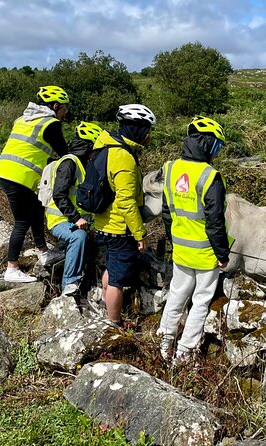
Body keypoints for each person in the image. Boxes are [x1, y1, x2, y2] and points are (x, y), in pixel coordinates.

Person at [157, 116, 231, 364]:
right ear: (208, 143)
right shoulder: (210, 176)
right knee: (200, 302)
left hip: (180, 248)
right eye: (217, 145)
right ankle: (184, 353)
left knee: (176, 295)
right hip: (205, 253)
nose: (217, 151)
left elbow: (166, 212)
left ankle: (165, 341)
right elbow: (215, 221)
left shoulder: (169, 168)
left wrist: (173, 240)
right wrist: (222, 254)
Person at [0, 86, 70, 283]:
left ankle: (43, 251)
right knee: (22, 221)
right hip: (18, 176)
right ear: (55, 106)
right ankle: (11, 268)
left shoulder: (24, 118)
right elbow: (65, 153)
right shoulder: (50, 123)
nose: (65, 112)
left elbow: (29, 149)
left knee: (37, 207)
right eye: (64, 108)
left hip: (6, 172)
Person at [93, 104, 156, 326]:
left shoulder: (105, 146)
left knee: (111, 267)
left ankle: (104, 303)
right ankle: (114, 322)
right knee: (118, 280)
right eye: (147, 129)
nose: (148, 135)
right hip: (120, 227)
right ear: (136, 128)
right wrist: (140, 234)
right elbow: (126, 201)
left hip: (103, 221)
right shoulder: (124, 157)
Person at [45, 121, 103, 296]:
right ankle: (69, 284)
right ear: (88, 146)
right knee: (78, 237)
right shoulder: (69, 163)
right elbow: (59, 195)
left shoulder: (82, 164)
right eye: (95, 149)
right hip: (61, 220)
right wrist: (76, 219)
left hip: (76, 220)